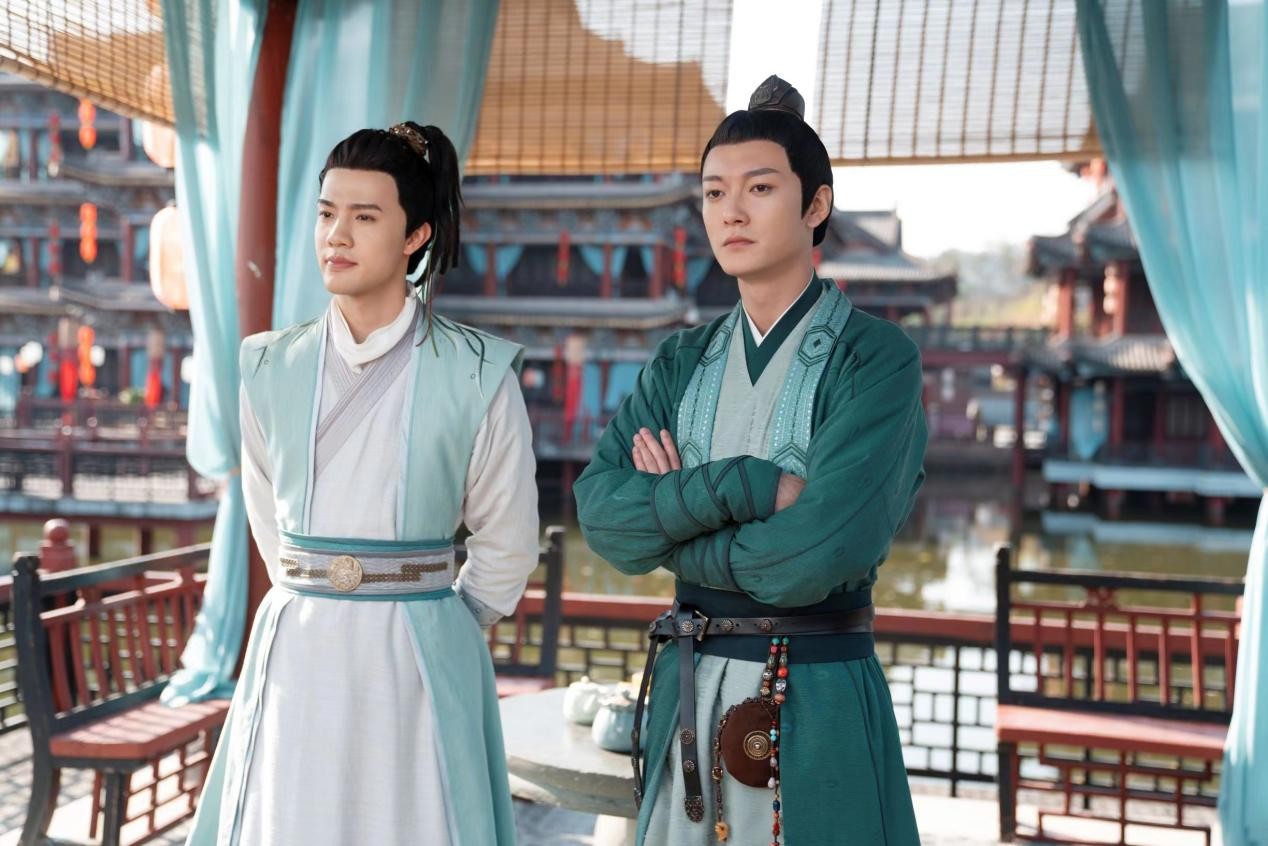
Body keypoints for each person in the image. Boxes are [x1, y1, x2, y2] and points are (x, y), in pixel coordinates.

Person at [574, 76, 927, 845]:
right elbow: (603, 520)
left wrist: (674, 518)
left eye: (760, 188)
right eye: (713, 193)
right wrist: (752, 485)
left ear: (816, 205)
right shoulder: (682, 360)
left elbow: (815, 556)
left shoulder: (876, 360)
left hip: (817, 689)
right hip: (689, 685)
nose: (730, 211)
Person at [187, 122, 538, 846]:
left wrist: (438, 621)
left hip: (415, 655)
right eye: (326, 213)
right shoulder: (268, 366)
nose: (336, 235)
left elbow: (506, 542)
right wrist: (316, 591)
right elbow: (268, 519)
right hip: (298, 647)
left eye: (365, 216)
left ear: (416, 236)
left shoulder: (477, 373)